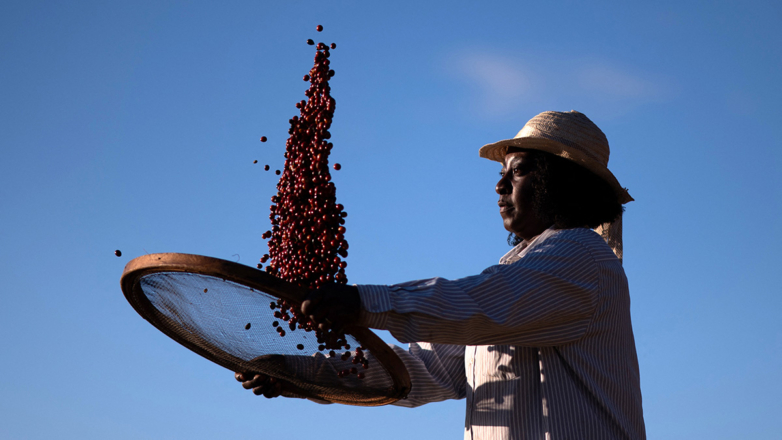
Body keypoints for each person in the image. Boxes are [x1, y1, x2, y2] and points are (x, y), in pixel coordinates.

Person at [236, 110, 646, 439]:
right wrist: (302, 374)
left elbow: (484, 304)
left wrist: (364, 302)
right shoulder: (522, 269)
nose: (500, 185)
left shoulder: (581, 256)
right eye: (500, 174)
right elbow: (423, 370)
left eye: (518, 171)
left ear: (561, 183)